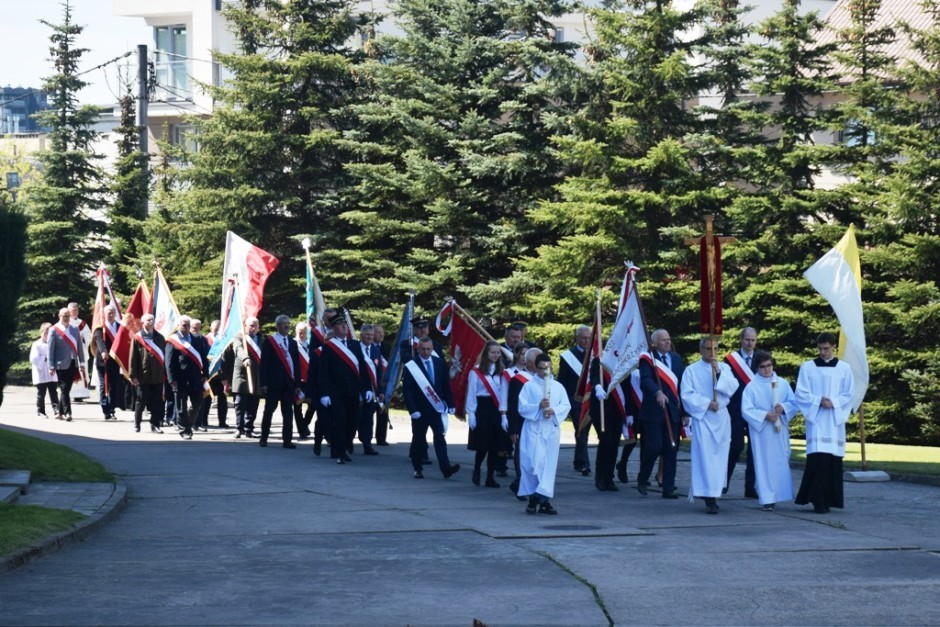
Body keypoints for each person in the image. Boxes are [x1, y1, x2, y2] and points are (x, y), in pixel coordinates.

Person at [794, 332, 855, 514]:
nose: (822, 352)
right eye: (820, 349)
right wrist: (819, 400)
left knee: (831, 461)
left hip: (834, 423)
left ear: (834, 347)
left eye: (826, 349)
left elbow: (849, 394)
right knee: (817, 460)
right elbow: (801, 393)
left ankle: (829, 500)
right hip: (817, 420)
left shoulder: (844, 368)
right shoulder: (808, 367)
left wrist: (834, 402)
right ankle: (816, 499)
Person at [682, 336, 739, 514]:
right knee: (706, 456)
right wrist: (707, 403)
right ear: (701, 349)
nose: (711, 352)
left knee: (720, 455)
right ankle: (708, 496)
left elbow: (732, 387)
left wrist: (719, 373)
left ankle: (716, 489)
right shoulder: (691, 370)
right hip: (704, 418)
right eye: (708, 349)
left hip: (721, 416)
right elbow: (686, 395)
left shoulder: (725, 367)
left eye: (715, 349)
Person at [741, 351, 797, 511]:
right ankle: (767, 497)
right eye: (763, 367)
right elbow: (746, 410)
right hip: (763, 433)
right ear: (757, 368)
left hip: (779, 431)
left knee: (781, 460)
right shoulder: (751, 386)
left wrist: (783, 408)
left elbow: (793, 403)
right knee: (764, 463)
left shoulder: (783, 383)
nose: (767, 369)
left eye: (769, 365)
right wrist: (765, 415)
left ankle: (780, 494)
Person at [517, 353, 571, 515]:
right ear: (536, 367)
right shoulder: (529, 386)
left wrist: (553, 411)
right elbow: (522, 407)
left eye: (548, 368)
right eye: (542, 368)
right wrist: (538, 406)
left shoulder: (558, 387)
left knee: (548, 465)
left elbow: (566, 405)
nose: (545, 372)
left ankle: (542, 500)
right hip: (534, 428)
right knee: (534, 463)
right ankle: (535, 496)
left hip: (550, 429)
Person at [637, 328, 685, 499]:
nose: (667, 342)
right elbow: (645, 380)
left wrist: (685, 413)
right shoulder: (648, 359)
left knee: (671, 449)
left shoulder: (676, 359)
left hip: (672, 412)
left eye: (668, 339)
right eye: (663, 340)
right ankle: (643, 477)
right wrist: (657, 392)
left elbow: (681, 388)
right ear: (655, 343)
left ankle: (668, 487)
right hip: (653, 412)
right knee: (654, 446)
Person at [402, 336, 459, 479]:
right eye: (423, 349)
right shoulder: (412, 366)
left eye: (428, 349)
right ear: (418, 349)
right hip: (420, 411)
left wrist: (450, 404)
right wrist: (412, 409)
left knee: (440, 438)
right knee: (419, 440)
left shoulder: (439, 363)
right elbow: (407, 390)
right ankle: (417, 467)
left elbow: (446, 386)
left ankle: (446, 468)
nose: (426, 352)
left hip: (436, 409)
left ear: (432, 349)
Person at [319, 313, 373, 464]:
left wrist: (367, 388)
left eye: (345, 324)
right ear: (334, 328)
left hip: (353, 391)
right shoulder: (329, 347)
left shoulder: (354, 345)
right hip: (336, 392)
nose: (344, 327)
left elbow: (362, 368)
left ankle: (345, 444)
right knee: (340, 421)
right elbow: (324, 372)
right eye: (341, 325)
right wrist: (324, 393)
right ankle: (340, 452)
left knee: (353, 421)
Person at [466, 340, 508, 488]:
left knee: (495, 447)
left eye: (498, 352)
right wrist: (471, 413)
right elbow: (471, 393)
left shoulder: (503, 372)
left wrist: (503, 415)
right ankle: (477, 469)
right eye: (492, 352)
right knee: (483, 445)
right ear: (486, 353)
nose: (495, 355)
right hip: (482, 409)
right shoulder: (476, 371)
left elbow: (503, 394)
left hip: (496, 409)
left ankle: (490, 477)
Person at [258, 314, 303, 448]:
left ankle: (287, 440)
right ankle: (264, 437)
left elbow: (296, 364)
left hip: (288, 383)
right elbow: (264, 364)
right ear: (278, 326)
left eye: (288, 323)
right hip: (273, 383)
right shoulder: (270, 341)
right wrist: (263, 383)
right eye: (283, 323)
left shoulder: (293, 343)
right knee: (269, 410)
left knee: (288, 412)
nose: (287, 326)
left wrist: (298, 385)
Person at [724, 327, 758, 497]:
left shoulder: (762, 359)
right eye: (747, 340)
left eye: (753, 340)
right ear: (741, 340)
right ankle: (723, 483)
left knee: (754, 451)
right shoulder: (730, 360)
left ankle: (750, 488)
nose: (750, 343)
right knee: (735, 447)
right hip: (736, 411)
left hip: (755, 412)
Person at [165, 316, 208, 440]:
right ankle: (184, 430)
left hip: (196, 378)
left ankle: (187, 424)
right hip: (180, 379)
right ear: (178, 325)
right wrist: (171, 379)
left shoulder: (198, 339)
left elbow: (203, 358)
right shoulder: (173, 341)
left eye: (188, 325)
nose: (187, 327)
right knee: (181, 407)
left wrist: (205, 374)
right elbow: (169, 362)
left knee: (197, 405)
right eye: (184, 325)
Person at [589, 353, 627, 492]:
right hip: (600, 408)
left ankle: (609, 477)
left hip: (617, 408)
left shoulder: (624, 361)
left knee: (615, 443)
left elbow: (627, 386)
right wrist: (598, 386)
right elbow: (593, 375)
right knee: (606, 441)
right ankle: (600, 477)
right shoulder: (600, 360)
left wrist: (628, 413)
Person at [558, 325, 592, 476]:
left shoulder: (595, 355)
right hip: (576, 399)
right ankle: (583, 463)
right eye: (583, 338)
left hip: (592, 399)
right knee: (581, 429)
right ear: (577, 338)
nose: (586, 341)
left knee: (589, 430)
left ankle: (579, 460)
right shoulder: (568, 356)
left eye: (588, 338)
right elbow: (562, 380)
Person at [506, 346, 540, 496]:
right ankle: (520, 480)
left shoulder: (544, 379)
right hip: (522, 423)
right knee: (521, 452)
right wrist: (513, 429)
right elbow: (513, 406)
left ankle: (524, 483)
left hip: (539, 424)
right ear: (531, 363)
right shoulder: (518, 380)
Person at [222, 317, 263, 439]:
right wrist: (245, 358)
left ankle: (249, 428)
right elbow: (238, 349)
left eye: (255, 325)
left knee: (253, 405)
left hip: (256, 377)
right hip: (242, 376)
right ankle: (239, 428)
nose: (253, 328)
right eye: (250, 325)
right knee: (240, 404)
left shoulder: (262, 339)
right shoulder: (239, 337)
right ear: (245, 325)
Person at [47, 307, 86, 421]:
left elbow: (79, 347)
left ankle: (59, 412)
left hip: (73, 363)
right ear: (59, 316)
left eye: (68, 315)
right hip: (60, 364)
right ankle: (68, 413)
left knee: (66, 389)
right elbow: (50, 350)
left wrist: (82, 362)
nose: (67, 318)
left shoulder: (75, 328)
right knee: (64, 388)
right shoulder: (54, 330)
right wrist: (51, 366)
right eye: (64, 315)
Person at [129, 313, 166, 433]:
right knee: (141, 400)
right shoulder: (137, 337)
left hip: (157, 375)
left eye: (152, 320)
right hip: (142, 375)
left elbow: (164, 357)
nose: (151, 322)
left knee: (156, 401)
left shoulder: (160, 337)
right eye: (148, 320)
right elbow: (133, 358)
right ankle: (137, 423)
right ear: (143, 323)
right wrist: (133, 375)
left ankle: (155, 425)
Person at [93, 304, 124, 421]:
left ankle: (112, 409)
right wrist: (103, 351)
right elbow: (99, 340)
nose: (110, 315)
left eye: (112, 313)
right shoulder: (100, 328)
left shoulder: (120, 327)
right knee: (103, 385)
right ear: (104, 314)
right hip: (103, 361)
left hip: (115, 361)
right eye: (108, 313)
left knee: (114, 386)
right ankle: (105, 410)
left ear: (115, 314)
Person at [356, 324, 384, 455]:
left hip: (372, 391)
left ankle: (367, 444)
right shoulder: (355, 349)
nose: (369, 337)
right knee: (355, 418)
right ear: (361, 335)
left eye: (371, 335)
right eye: (367, 335)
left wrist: (380, 391)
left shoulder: (375, 350)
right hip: (358, 390)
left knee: (368, 419)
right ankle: (347, 443)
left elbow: (379, 373)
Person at [30, 322, 59, 419]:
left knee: (53, 392)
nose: (47, 334)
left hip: (51, 372)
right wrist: (45, 358)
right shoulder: (36, 344)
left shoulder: (54, 343)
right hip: (41, 371)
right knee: (41, 393)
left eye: (50, 332)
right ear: (41, 332)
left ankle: (57, 410)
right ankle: (40, 411)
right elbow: (34, 358)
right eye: (46, 332)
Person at [67, 301, 92, 402]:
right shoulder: (66, 323)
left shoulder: (82, 323)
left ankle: (81, 394)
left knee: (82, 371)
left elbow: (89, 336)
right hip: (70, 352)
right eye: (72, 310)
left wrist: (82, 338)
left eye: (76, 310)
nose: (74, 312)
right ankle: (70, 393)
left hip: (81, 351)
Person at [293, 322, 313, 440]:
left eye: (304, 332)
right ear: (296, 331)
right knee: (298, 407)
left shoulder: (311, 346)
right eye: (300, 331)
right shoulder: (292, 344)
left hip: (309, 381)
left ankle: (304, 424)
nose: (301, 334)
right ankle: (302, 431)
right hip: (297, 382)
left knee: (313, 405)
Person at [373, 324, 392, 446]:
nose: (381, 335)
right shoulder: (366, 347)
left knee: (383, 411)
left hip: (383, 383)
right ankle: (365, 437)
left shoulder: (388, 347)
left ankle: (381, 438)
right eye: (378, 332)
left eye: (382, 333)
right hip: (371, 382)